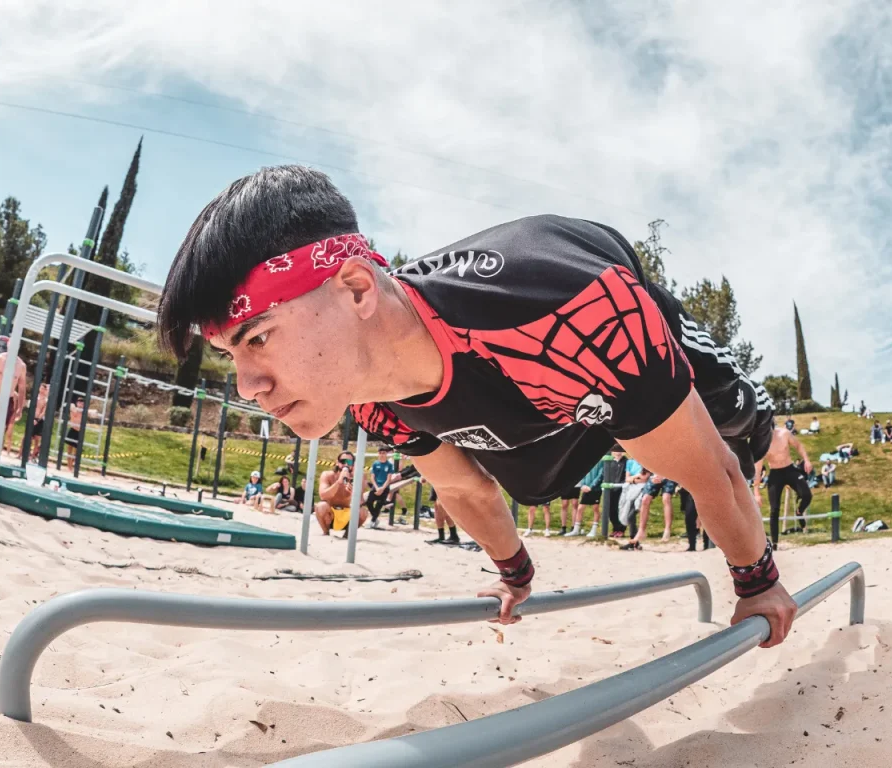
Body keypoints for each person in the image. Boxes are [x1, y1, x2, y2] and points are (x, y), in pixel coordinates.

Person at [158, 165, 796, 644]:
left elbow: (710, 471)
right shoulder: (372, 397)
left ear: (355, 290)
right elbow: (465, 492)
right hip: (540, 401)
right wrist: (514, 575)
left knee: (740, 424)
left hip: (597, 319)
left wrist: (756, 581)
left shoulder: (572, 310)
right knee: (530, 481)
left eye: (258, 338)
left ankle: (778, 435)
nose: (247, 385)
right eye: (230, 356)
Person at [755, 419, 813, 548]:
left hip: (789, 469)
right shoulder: (762, 443)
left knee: (807, 495)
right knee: (774, 509)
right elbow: (758, 469)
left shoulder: (784, 434)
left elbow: (798, 445)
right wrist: (756, 492)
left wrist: (807, 460)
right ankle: (774, 542)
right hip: (775, 473)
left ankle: (799, 510)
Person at [316, 450, 369, 536]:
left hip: (347, 515)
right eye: (343, 461)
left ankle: (347, 535)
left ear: (353, 464)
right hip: (330, 515)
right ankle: (326, 532)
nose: (346, 464)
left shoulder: (359, 477)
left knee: (363, 512)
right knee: (321, 506)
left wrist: (355, 488)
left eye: (349, 462)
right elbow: (323, 496)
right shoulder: (328, 475)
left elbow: (361, 502)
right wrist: (338, 482)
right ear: (337, 463)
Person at [620, 471, 677, 549]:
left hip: (670, 474)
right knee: (645, 499)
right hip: (655, 473)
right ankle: (641, 530)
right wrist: (653, 475)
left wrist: (663, 475)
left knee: (666, 498)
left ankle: (667, 529)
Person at [566, 456, 605, 538]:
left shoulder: (601, 461)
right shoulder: (586, 461)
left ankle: (594, 530)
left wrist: (591, 486)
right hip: (585, 488)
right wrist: (582, 485)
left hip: (596, 489)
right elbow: (582, 474)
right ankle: (576, 530)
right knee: (580, 508)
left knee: (595, 508)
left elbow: (600, 475)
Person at [366, 446, 399, 528]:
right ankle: (375, 517)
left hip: (385, 487)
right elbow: (372, 477)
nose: (381, 455)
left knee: (378, 505)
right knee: (369, 502)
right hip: (376, 486)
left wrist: (382, 488)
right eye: (380, 453)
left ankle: (373, 521)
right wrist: (377, 488)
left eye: (383, 453)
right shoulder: (375, 464)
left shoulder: (389, 465)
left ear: (386, 454)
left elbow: (389, 479)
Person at [607, 447, 628, 537]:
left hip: (622, 489)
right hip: (611, 489)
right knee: (611, 510)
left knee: (622, 510)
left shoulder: (626, 462)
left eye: (620, 451)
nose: (618, 453)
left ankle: (621, 529)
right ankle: (615, 528)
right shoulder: (610, 462)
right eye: (616, 451)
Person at [29, 382, 50, 459]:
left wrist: (37, 419)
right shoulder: (35, 397)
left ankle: (33, 455)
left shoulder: (46, 400)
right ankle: (22, 453)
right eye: (41, 387)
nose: (42, 389)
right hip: (32, 418)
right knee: (27, 438)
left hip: (40, 420)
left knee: (37, 439)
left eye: (43, 388)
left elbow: (43, 412)